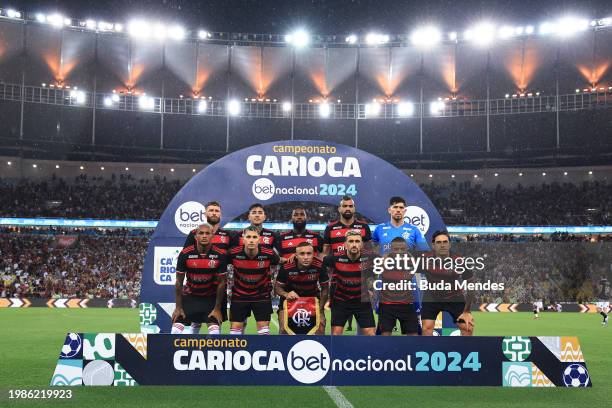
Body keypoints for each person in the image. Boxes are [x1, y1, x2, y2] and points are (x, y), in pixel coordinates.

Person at [181, 201, 233, 333]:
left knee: (216, 320)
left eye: (216, 210)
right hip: (197, 287)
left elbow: (233, 256)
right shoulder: (194, 233)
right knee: (195, 321)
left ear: (220, 214)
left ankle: (214, 350)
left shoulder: (227, 235)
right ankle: (192, 349)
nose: (214, 213)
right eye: (211, 210)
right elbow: (185, 257)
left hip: (218, 288)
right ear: (205, 213)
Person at [171, 223, 227, 335]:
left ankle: (211, 352)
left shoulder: (220, 255)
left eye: (207, 233)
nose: (204, 236)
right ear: (196, 236)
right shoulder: (185, 254)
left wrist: (217, 308)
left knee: (215, 332)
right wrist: (178, 307)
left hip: (210, 298)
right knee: (175, 331)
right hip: (190, 296)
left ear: (212, 236)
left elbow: (222, 283)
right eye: (201, 233)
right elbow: (179, 282)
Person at [420, 231, 475, 336]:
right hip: (432, 297)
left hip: (454, 297)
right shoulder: (424, 259)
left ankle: (465, 351)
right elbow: (404, 260)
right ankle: (428, 351)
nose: (442, 245)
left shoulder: (459, 261)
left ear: (449, 244)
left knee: (467, 327)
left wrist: (467, 311)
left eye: (445, 242)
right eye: (439, 242)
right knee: (426, 329)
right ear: (433, 245)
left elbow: (471, 283)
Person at [228, 226, 280, 335]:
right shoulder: (232, 253)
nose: (251, 240)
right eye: (248, 237)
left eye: (254, 237)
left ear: (259, 239)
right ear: (243, 238)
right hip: (239, 296)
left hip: (261, 296)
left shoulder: (269, 254)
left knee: (264, 331)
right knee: (235, 331)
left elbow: (277, 263)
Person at [325, 230, 376, 336]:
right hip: (340, 301)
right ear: (345, 244)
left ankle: (367, 353)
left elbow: (385, 265)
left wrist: (372, 289)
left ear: (361, 244)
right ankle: (336, 353)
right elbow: (317, 264)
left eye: (357, 241)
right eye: (351, 241)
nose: (354, 244)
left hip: (362, 302)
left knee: (371, 335)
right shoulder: (334, 258)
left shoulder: (370, 257)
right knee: (335, 335)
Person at [275, 242, 329, 334]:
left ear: (313, 254)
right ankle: (283, 347)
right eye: (302, 254)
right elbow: (277, 288)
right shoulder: (286, 267)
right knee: (283, 328)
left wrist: (320, 310)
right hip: (290, 301)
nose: (306, 257)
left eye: (309, 254)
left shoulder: (319, 265)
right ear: (296, 255)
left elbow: (325, 289)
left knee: (321, 326)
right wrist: (286, 294)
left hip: (312, 300)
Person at [376, 237, 419, 336]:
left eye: (402, 249)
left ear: (406, 249)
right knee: (385, 338)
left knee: (414, 337)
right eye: (396, 249)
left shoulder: (411, 262)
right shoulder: (383, 261)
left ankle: (410, 352)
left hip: (406, 304)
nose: (399, 252)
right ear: (391, 249)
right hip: (386, 305)